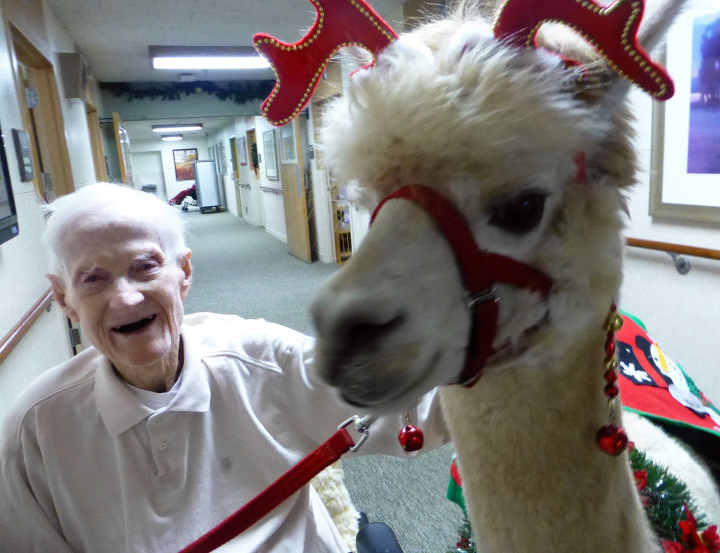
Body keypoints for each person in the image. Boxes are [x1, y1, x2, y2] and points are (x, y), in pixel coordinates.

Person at [0, 183, 447, 552]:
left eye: (145, 267)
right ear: (64, 300)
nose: (126, 298)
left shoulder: (261, 358)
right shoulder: (34, 430)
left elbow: (418, 413)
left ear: (184, 272)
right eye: (93, 278)